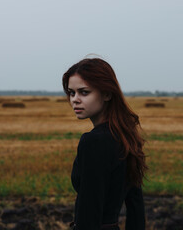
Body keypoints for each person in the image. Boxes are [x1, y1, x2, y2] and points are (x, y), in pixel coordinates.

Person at [62, 57, 148, 230]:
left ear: (107, 94)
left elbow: (89, 211)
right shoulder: (126, 136)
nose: (75, 100)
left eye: (84, 92)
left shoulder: (93, 141)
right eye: (72, 93)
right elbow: (136, 208)